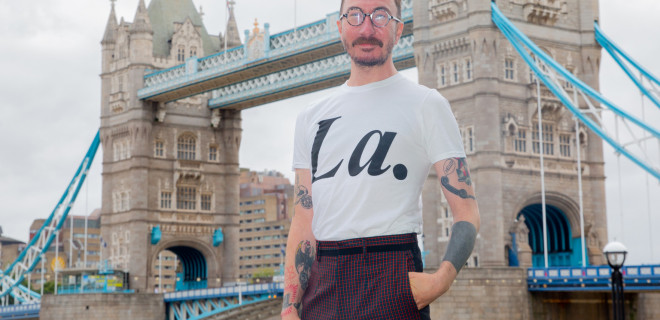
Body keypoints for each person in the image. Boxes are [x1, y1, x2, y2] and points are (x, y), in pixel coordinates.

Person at [281, 0, 480, 319]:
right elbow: (303, 219)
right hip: (323, 282)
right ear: (340, 27)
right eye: (356, 15)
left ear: (398, 28)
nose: (367, 27)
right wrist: (289, 306)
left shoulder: (426, 104)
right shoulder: (310, 118)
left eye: (380, 15)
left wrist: (441, 280)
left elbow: (467, 209)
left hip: (393, 271)